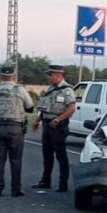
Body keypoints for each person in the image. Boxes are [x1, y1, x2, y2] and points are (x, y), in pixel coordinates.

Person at [0, 63, 34, 197]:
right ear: (13, 76)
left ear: (1, 76)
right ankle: (15, 189)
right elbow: (30, 107)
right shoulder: (20, 90)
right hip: (16, 128)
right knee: (16, 160)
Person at [32, 64, 76, 192]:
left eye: (50, 75)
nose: (48, 77)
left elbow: (72, 108)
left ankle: (63, 184)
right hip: (46, 124)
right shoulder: (51, 89)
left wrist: (58, 119)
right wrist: (38, 120)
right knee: (47, 155)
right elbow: (45, 107)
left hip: (58, 126)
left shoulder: (66, 90)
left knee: (61, 156)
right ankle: (45, 181)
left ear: (58, 75)